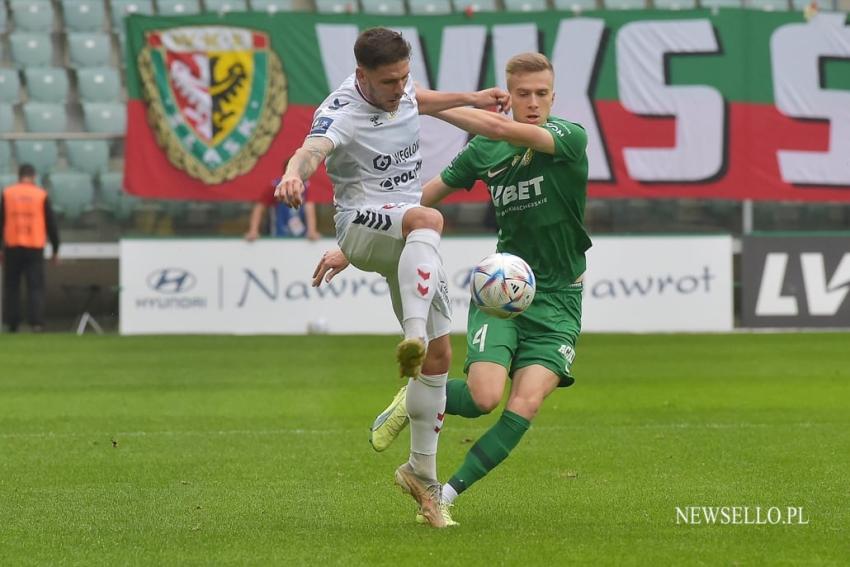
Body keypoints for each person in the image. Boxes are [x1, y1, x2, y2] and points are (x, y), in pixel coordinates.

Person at [317, 52, 591, 522]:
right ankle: (415, 399)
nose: (532, 102)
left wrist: (417, 101)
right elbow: (423, 196)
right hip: (503, 292)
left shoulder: (568, 137)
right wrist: (352, 243)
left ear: (553, 96)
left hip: (561, 296)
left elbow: (501, 129)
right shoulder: (484, 151)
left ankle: (446, 493)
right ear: (509, 94)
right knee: (484, 397)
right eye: (522, 93)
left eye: (541, 94)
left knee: (524, 402)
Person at [275, 27, 509, 528]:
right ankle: (412, 335)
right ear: (362, 76)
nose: (400, 88)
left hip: (404, 236)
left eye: (404, 76)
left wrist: (471, 97)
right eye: (389, 81)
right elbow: (312, 149)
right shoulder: (341, 111)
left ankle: (420, 473)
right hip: (360, 223)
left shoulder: (402, 88)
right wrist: (295, 172)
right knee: (430, 219)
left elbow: (421, 99)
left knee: (444, 358)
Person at [0, 164, 61, 333]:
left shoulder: (8, 193)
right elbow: (51, 224)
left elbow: (1, 221)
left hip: (12, 245)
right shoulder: (41, 194)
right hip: (34, 246)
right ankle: (36, 323)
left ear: (19, 176)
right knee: (35, 286)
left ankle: (12, 323)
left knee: (11, 286)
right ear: (33, 177)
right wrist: (56, 248)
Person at [245, 176, 320, 242]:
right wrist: (253, 230)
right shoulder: (275, 185)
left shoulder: (305, 186)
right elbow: (260, 207)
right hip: (277, 236)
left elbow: (309, 207)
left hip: (301, 237)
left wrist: (311, 230)